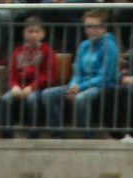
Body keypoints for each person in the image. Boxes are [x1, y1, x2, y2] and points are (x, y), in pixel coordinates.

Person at [42, 9, 118, 137]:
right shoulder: (84, 45)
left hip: (102, 85)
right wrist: (73, 85)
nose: (90, 30)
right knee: (48, 94)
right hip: (81, 85)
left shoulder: (109, 45)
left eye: (95, 27)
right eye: (88, 27)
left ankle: (87, 136)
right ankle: (57, 135)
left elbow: (105, 75)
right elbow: (77, 71)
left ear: (103, 28)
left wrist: (80, 87)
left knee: (81, 98)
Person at [0, 15, 56, 138]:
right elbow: (11, 72)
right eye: (30, 32)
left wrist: (31, 87)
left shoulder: (47, 50)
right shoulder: (18, 50)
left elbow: (47, 75)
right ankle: (6, 135)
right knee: (5, 99)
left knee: (32, 100)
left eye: (37, 32)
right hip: (19, 87)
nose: (33, 35)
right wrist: (14, 86)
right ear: (24, 33)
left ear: (43, 34)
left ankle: (34, 134)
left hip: (38, 88)